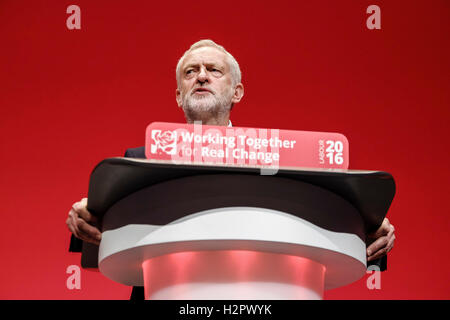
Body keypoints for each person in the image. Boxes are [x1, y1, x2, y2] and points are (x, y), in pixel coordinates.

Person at [66, 39, 396, 298]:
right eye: (190, 72)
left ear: (236, 92)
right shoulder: (139, 159)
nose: (201, 76)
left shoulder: (279, 158)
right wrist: (89, 211)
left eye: (213, 69)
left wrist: (367, 226)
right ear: (179, 96)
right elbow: (101, 231)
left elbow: (322, 212)